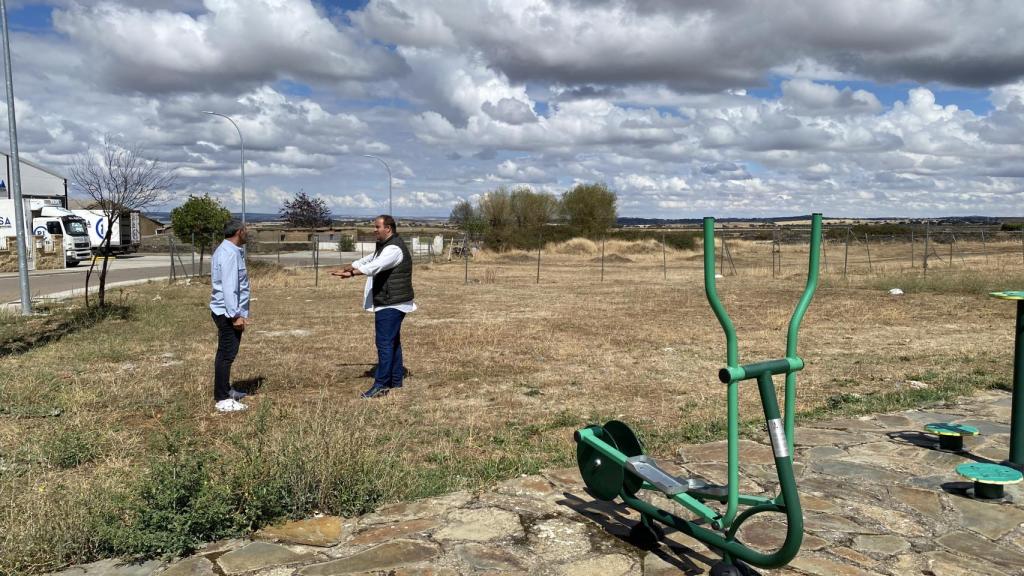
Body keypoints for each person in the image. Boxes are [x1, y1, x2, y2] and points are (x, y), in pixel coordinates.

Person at [332, 215, 415, 398]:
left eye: (377, 227)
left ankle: (381, 385)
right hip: (392, 301)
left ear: (388, 228)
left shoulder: (393, 249)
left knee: (384, 343)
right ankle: (395, 379)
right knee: (392, 342)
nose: (374, 230)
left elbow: (375, 266)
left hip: (391, 302)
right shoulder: (386, 246)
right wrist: (350, 266)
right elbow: (369, 259)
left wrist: (352, 273)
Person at [209, 219, 250, 412]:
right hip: (227, 313)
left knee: (225, 353)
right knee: (226, 354)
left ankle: (226, 389)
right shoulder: (229, 254)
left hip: (225, 311)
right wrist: (235, 315)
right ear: (239, 232)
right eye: (246, 230)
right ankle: (222, 398)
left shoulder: (227, 250)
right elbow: (229, 286)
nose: (247, 234)